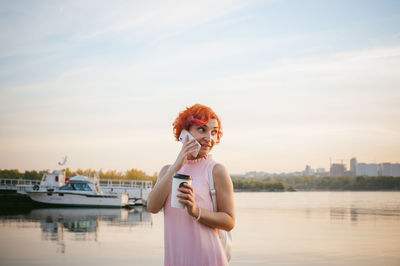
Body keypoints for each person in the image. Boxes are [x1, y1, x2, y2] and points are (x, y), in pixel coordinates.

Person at [147, 104, 235, 266]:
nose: (209, 138)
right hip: (176, 259)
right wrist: (176, 166)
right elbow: (152, 207)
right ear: (184, 133)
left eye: (214, 132)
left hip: (208, 259)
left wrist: (196, 211)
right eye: (202, 130)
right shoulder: (167, 171)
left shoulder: (216, 171)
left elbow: (229, 222)